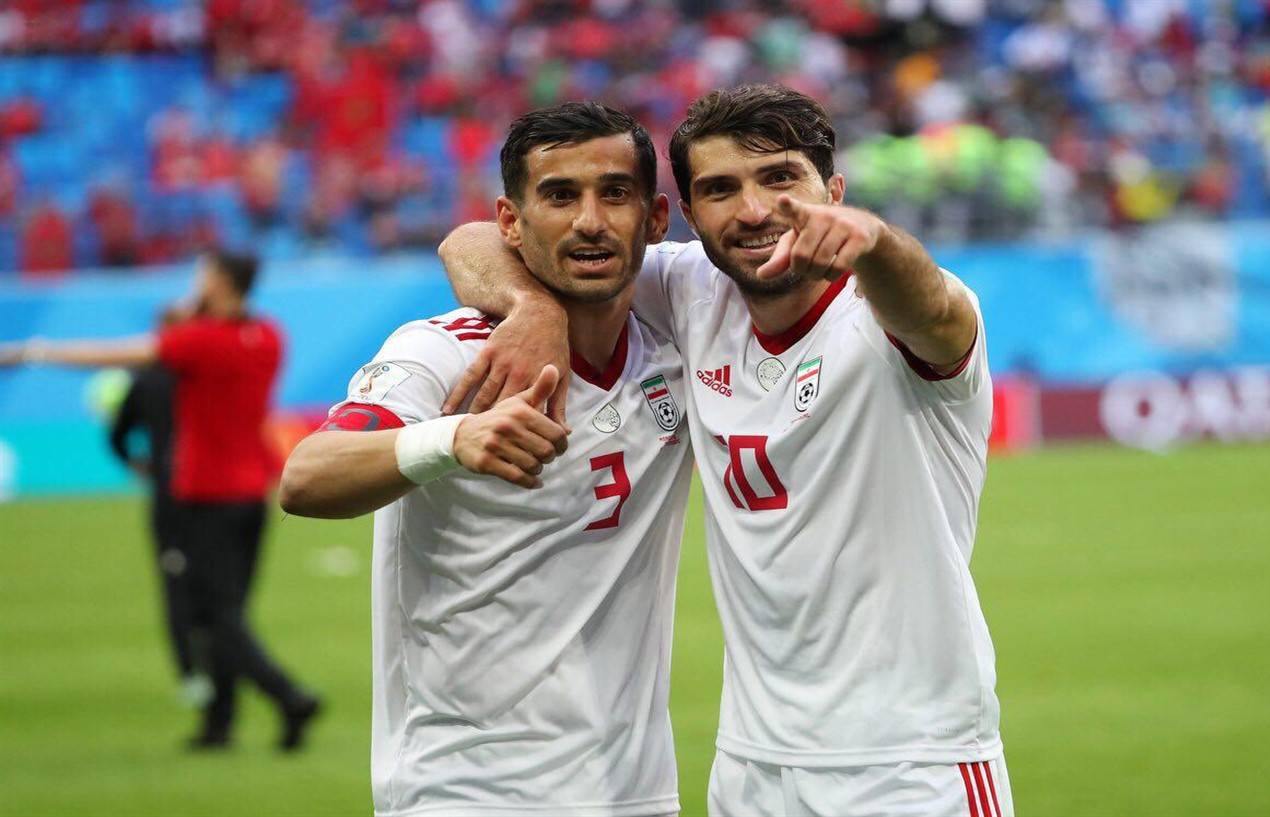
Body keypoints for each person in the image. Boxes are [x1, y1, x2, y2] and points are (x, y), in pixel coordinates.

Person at [439, 84, 1012, 816]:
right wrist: (534, 306)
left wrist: (872, 240)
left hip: (910, 762)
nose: (753, 209)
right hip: (751, 767)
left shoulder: (884, 317)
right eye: (720, 189)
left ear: (833, 191)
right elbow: (471, 241)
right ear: (684, 213)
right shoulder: (689, 288)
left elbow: (931, 306)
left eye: (780, 178)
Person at [278, 102, 693, 816]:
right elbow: (307, 474)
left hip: (636, 791)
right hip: (467, 788)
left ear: (655, 218)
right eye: (559, 195)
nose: (589, 220)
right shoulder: (446, 351)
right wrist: (452, 440)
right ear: (511, 222)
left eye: (614, 193)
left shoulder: (680, 328)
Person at [1, 251, 320, 752]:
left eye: (203, 274)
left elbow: (117, 354)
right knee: (229, 612)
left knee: (209, 616)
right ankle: (220, 724)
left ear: (220, 281)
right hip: (254, 491)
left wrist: (32, 352)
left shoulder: (198, 341)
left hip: (204, 494)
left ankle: (289, 696)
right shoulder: (268, 336)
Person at [106, 305, 208, 708]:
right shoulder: (203, 376)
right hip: (213, 495)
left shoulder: (146, 380)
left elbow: (117, 436)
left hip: (171, 496)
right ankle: (218, 671)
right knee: (215, 588)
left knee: (175, 585)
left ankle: (192, 674)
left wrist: (142, 466)